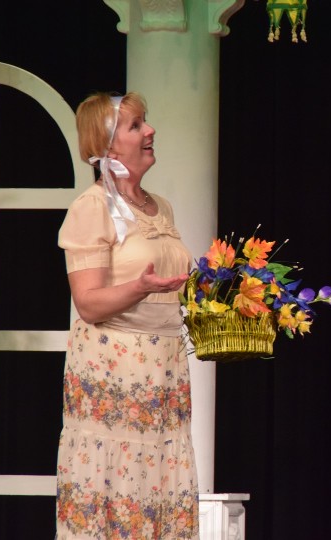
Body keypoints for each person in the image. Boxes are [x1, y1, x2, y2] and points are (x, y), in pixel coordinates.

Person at [56, 91, 199, 539]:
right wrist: (139, 287)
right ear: (108, 145)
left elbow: (170, 286)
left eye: (145, 122)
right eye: (136, 125)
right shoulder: (93, 206)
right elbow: (88, 303)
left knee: (157, 488)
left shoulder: (161, 207)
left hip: (164, 372)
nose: (150, 130)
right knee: (117, 485)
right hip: (115, 373)